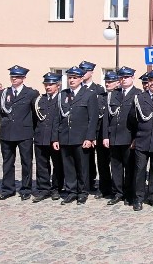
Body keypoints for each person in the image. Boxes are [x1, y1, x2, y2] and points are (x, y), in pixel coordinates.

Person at [52, 66, 99, 205]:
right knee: (68, 166)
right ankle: (71, 191)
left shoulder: (89, 94)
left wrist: (90, 138)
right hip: (65, 137)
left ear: (81, 79)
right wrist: (55, 138)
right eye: (70, 78)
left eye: (75, 78)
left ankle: (83, 192)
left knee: (82, 167)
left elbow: (93, 118)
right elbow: (57, 117)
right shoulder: (62, 95)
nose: (72, 80)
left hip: (81, 138)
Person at [0, 65, 39, 202]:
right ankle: (8, 189)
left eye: (18, 76)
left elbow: (35, 113)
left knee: (26, 162)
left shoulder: (31, 93)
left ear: (24, 78)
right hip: (7, 132)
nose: (14, 78)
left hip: (24, 132)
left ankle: (26, 189)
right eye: (12, 76)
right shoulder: (3, 93)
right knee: (7, 162)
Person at [128, 70, 153, 211]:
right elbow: (132, 119)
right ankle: (138, 198)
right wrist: (134, 137)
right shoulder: (139, 98)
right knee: (139, 170)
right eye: (150, 80)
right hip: (142, 140)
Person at [103, 66, 142, 206]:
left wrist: (136, 138)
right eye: (121, 77)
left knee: (130, 167)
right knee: (116, 167)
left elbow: (139, 119)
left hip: (128, 136)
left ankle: (129, 193)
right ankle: (117, 192)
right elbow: (107, 118)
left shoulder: (138, 94)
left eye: (126, 77)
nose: (124, 80)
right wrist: (105, 136)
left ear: (132, 78)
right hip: (113, 136)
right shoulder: (113, 94)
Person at [32, 72, 64, 203]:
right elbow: (35, 119)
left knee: (58, 164)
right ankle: (43, 188)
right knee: (42, 165)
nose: (48, 87)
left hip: (55, 138)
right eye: (46, 84)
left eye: (51, 84)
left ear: (58, 85)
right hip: (40, 137)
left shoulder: (62, 99)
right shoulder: (39, 99)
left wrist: (57, 137)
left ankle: (56, 188)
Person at [79, 60, 105, 192]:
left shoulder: (98, 89)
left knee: (99, 158)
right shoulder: (77, 88)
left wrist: (94, 133)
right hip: (81, 129)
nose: (83, 73)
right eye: (81, 70)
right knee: (84, 158)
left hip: (97, 128)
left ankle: (96, 181)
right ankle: (85, 182)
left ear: (92, 72)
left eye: (86, 71)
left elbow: (99, 111)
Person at [94, 71, 118, 199]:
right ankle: (104, 187)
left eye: (110, 82)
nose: (107, 84)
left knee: (116, 163)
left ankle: (117, 187)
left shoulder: (119, 96)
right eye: (106, 82)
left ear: (117, 83)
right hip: (100, 134)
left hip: (115, 134)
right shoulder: (100, 97)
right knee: (102, 163)